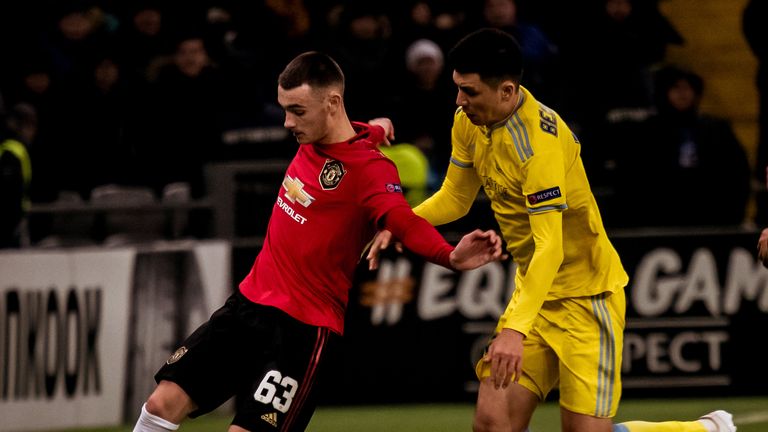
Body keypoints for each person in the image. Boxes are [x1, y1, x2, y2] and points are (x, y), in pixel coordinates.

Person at [367, 28, 736, 432]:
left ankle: (704, 430)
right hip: (536, 294)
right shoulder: (468, 121)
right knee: (492, 423)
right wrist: (400, 222)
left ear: (507, 91)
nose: (459, 100)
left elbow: (550, 247)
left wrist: (512, 330)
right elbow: (455, 196)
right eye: (458, 88)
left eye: (469, 91)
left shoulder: (539, 146)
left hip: (586, 299)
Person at [132, 51, 505, 432]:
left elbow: (402, 220)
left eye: (297, 110)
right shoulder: (316, 134)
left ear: (332, 103)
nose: (288, 122)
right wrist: (375, 128)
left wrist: (449, 255)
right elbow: (350, 133)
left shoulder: (372, 171)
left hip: (303, 331)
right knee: (161, 403)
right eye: (284, 109)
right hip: (246, 308)